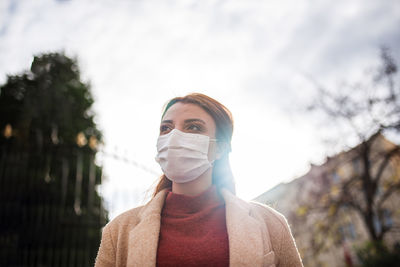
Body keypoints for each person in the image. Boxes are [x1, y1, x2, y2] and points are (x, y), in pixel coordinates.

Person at [95, 93, 303, 267]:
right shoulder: (118, 231)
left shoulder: (270, 224)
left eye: (193, 127)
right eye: (166, 128)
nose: (174, 136)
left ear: (220, 148)